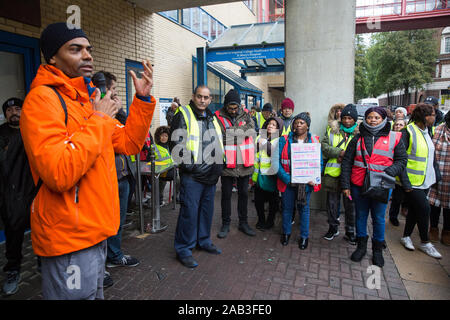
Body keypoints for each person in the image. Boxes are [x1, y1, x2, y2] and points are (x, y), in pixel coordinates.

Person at [19, 22, 155, 299]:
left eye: (89, 49)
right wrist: (100, 119)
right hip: (69, 237)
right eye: (76, 49)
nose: (88, 55)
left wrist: (141, 99)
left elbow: (129, 143)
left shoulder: (87, 102)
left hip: (95, 232)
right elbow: (59, 173)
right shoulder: (42, 101)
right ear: (53, 57)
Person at [341, 106, 407, 267]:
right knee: (361, 216)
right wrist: (345, 185)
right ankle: (361, 246)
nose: (372, 120)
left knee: (378, 218)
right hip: (358, 185)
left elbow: (402, 160)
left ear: (383, 119)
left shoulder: (395, 137)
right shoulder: (357, 138)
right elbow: (347, 162)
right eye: (369, 117)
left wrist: (390, 171)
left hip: (382, 185)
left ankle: (377, 250)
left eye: (376, 117)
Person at [170, 85, 224, 268]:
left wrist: (219, 164)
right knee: (189, 214)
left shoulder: (212, 117)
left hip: (210, 175)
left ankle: (204, 241)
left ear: (210, 99)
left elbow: (218, 141)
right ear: (193, 96)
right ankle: (184, 249)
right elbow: (177, 144)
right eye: (199, 96)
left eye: (206, 97)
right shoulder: (183, 114)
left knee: (206, 212)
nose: (202, 100)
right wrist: (191, 167)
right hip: (193, 176)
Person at [0, 97, 35, 296]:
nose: (14, 112)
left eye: (17, 108)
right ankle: (13, 270)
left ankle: (42, 262)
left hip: (34, 193)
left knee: (41, 233)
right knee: (14, 238)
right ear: (5, 114)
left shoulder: (33, 130)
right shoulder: (2, 134)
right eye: (10, 110)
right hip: (11, 196)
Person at [398, 103, 443, 258]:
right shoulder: (408, 131)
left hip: (425, 181)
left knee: (415, 210)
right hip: (411, 182)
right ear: (425, 117)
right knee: (425, 209)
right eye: (433, 114)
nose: (435, 117)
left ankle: (406, 237)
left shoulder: (427, 131)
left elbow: (429, 157)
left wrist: (435, 176)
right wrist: (405, 182)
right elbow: (400, 159)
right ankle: (425, 242)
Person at [277, 112, 322, 250]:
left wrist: (313, 178)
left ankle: (304, 236)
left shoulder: (314, 141)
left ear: (308, 126)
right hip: (288, 182)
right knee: (287, 209)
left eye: (301, 122)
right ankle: (286, 233)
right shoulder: (283, 140)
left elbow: (318, 162)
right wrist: (287, 179)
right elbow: (276, 163)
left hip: (306, 184)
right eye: (296, 122)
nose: (298, 125)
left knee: (304, 209)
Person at [216, 89, 256, 239]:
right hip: (227, 163)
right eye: (230, 108)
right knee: (226, 195)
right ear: (225, 106)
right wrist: (240, 133)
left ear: (239, 106)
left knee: (243, 194)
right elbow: (220, 137)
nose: (233, 111)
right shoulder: (217, 117)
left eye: (235, 108)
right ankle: (225, 223)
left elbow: (252, 131)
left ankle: (243, 222)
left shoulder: (246, 114)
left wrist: (231, 132)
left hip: (244, 163)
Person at [322, 104, 358, 244]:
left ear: (354, 120)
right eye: (345, 118)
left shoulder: (359, 133)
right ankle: (333, 228)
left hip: (350, 176)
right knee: (331, 205)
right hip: (333, 173)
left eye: (350, 118)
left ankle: (350, 231)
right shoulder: (332, 129)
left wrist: (347, 156)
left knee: (350, 205)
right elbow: (324, 146)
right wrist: (339, 153)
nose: (347, 121)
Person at [252, 116, 283, 230]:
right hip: (259, 175)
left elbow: (273, 154)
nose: (270, 126)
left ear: (278, 129)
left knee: (273, 202)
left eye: (274, 125)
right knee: (258, 201)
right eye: (269, 123)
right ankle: (261, 220)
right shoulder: (259, 137)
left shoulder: (279, 140)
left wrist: (265, 143)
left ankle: (270, 222)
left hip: (272, 176)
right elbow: (254, 153)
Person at [428, 111, 450, 246]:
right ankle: (433, 228)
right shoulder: (437, 130)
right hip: (436, 173)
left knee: (449, 207)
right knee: (434, 203)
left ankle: (447, 231)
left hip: (449, 178)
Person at [388, 118, 408, 226]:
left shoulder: (405, 138)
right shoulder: (390, 137)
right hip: (392, 174)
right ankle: (393, 216)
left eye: (401, 125)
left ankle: (404, 210)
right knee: (397, 198)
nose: (398, 126)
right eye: (396, 124)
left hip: (402, 171)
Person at [153, 125, 175, 205]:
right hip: (159, 173)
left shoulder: (171, 147)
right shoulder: (154, 147)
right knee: (159, 181)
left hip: (171, 171)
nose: (164, 138)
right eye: (162, 136)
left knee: (180, 178)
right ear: (158, 137)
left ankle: (176, 197)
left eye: (166, 136)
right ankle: (159, 200)